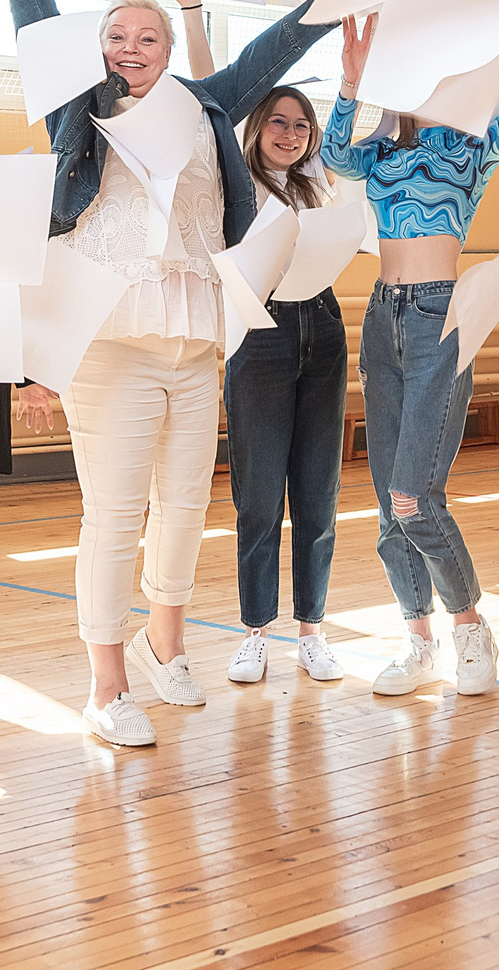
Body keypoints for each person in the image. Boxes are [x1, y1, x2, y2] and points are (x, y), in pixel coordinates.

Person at [0, 0, 342, 749]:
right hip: (111, 342)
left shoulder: (207, 105)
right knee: (115, 513)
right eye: (117, 37)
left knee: (185, 508)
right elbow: (33, 9)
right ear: (100, 52)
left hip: (195, 342)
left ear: (170, 51)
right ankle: (106, 686)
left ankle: (165, 645)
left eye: (147, 37)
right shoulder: (80, 112)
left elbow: (272, 50)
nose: (130, 48)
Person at [322, 0, 499, 700]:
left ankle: (470, 627)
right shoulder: (379, 152)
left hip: (440, 320)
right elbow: (332, 155)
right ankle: (416, 639)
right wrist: (350, 84)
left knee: (415, 496)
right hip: (381, 318)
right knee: (388, 507)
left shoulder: (467, 148)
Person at [222, 88, 349, 688]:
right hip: (259, 334)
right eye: (278, 121)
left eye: (302, 126)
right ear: (256, 127)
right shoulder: (234, 179)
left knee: (318, 493)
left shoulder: (317, 182)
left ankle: (311, 632)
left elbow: (353, 123)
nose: (290, 134)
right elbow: (217, 91)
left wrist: (353, 80)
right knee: (259, 496)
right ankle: (254, 633)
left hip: (322, 329)